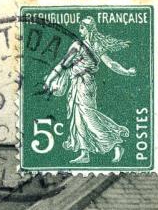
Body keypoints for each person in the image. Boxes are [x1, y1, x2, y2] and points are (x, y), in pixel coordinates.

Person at [41, 17, 136, 164]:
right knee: (78, 118)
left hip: (84, 84)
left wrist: (49, 80)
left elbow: (63, 64)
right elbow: (111, 64)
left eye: (81, 27)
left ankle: (116, 143)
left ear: (86, 29)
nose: (79, 30)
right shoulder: (91, 45)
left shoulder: (80, 45)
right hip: (78, 84)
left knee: (88, 115)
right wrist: (127, 71)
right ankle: (84, 153)